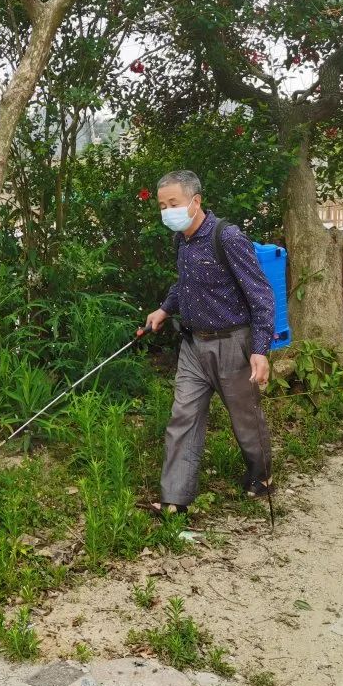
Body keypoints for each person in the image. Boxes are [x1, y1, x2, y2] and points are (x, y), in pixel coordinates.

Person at [143, 170, 276, 514]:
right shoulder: (180, 241)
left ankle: (261, 476)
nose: (166, 210)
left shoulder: (227, 237)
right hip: (193, 346)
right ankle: (175, 499)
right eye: (161, 205)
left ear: (195, 201)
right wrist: (163, 309)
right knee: (182, 417)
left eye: (173, 203)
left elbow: (261, 295)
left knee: (245, 418)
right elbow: (184, 284)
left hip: (233, 342)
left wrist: (260, 350)